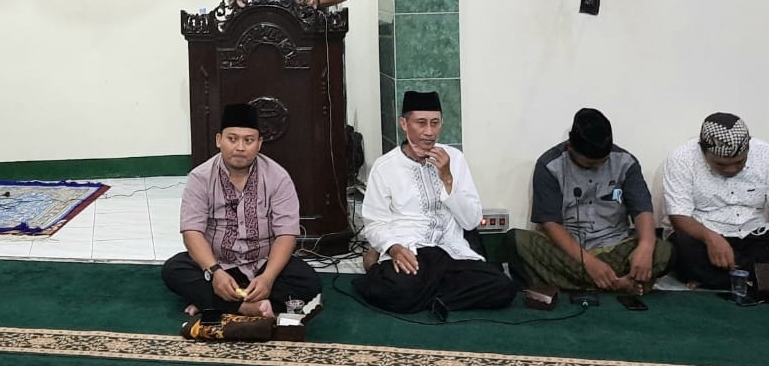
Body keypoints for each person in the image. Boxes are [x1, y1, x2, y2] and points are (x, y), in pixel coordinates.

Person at [353, 91, 516, 314]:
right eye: (421, 123)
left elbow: (470, 221)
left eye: (435, 123)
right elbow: (375, 223)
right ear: (404, 124)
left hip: (451, 251)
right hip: (412, 251)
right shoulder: (386, 166)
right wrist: (394, 248)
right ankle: (438, 295)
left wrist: (447, 178)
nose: (429, 132)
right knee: (400, 288)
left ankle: (428, 298)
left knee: (503, 287)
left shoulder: (454, 159)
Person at [161, 103, 322, 318]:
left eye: (248, 140)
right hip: (218, 264)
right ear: (219, 140)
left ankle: (214, 303)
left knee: (309, 281)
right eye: (232, 139)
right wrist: (215, 272)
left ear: (259, 144)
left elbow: (286, 234)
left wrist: (268, 278)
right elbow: (192, 232)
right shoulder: (200, 177)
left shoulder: (278, 177)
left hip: (263, 264)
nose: (240, 147)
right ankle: (248, 307)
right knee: (174, 270)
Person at [501, 108, 672, 293]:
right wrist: (589, 263)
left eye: (603, 162)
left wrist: (646, 245)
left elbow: (642, 209)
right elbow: (550, 224)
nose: (597, 167)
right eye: (589, 164)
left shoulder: (626, 162)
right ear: (570, 147)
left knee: (664, 251)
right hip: (569, 252)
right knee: (515, 241)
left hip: (615, 247)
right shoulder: (549, 166)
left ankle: (586, 282)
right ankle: (620, 283)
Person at [663, 112, 769, 293]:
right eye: (721, 164)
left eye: (739, 162)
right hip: (707, 237)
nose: (731, 169)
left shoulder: (766, 153)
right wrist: (710, 238)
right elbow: (679, 217)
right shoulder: (681, 158)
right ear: (703, 152)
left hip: (756, 235)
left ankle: (746, 279)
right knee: (683, 249)